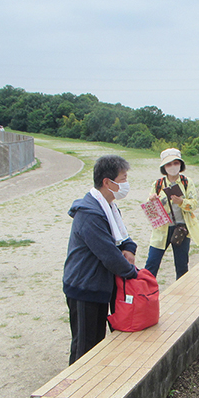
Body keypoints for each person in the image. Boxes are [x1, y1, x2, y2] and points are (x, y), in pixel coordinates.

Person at [63, 155, 138, 365]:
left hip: (99, 285)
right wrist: (133, 274)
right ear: (107, 182)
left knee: (97, 343)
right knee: (84, 347)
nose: (125, 184)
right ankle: (74, 389)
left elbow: (121, 238)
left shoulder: (109, 207)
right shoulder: (91, 213)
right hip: (84, 286)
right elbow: (108, 254)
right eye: (123, 179)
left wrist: (129, 248)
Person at [144, 149, 199, 279]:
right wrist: (152, 200)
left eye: (175, 163)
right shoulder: (158, 184)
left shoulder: (186, 182)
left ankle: (182, 294)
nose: (172, 167)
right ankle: (146, 295)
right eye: (169, 164)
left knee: (182, 266)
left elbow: (194, 204)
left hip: (182, 228)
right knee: (151, 264)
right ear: (164, 167)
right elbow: (151, 210)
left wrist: (182, 202)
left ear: (180, 165)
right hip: (161, 229)